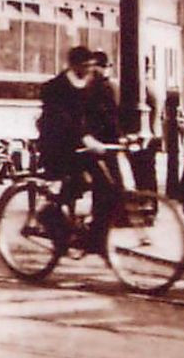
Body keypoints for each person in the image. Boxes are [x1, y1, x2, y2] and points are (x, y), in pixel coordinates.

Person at [38, 46, 122, 251]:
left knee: (111, 188)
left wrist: (120, 137)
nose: (88, 71)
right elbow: (59, 120)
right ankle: (50, 217)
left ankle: (94, 237)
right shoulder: (55, 88)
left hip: (86, 146)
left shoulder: (95, 85)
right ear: (72, 65)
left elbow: (106, 115)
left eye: (90, 66)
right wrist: (84, 138)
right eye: (84, 67)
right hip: (59, 146)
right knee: (77, 183)